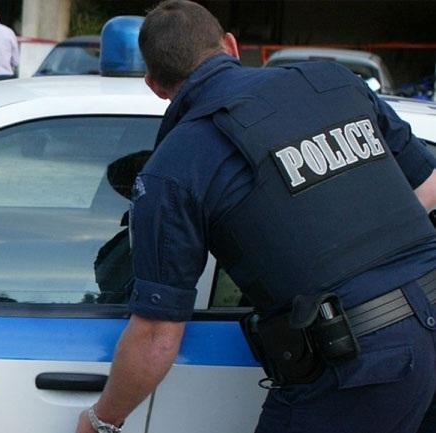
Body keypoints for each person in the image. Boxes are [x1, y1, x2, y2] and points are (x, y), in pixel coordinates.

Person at [75, 1, 436, 433]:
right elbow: (429, 183)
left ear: (154, 85)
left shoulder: (175, 167)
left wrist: (101, 420)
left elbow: (156, 333)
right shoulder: (333, 81)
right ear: (230, 45)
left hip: (360, 368)